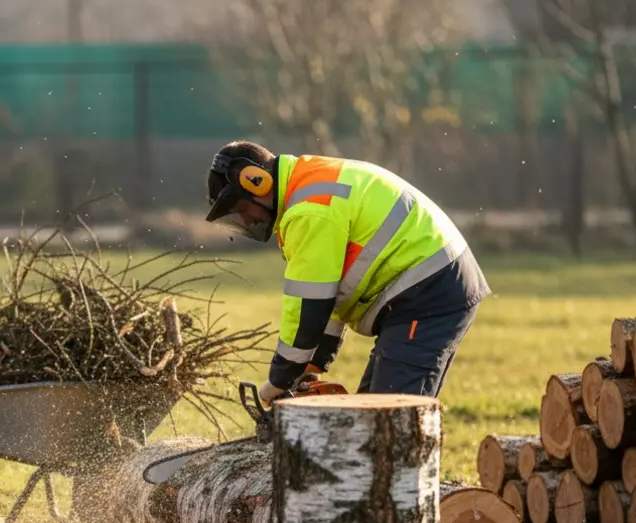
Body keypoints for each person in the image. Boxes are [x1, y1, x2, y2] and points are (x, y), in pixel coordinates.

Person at [204, 140, 491, 404]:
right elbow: (327, 297)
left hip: (428, 289)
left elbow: (308, 308)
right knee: (369, 415)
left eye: (242, 208)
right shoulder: (306, 189)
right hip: (422, 286)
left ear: (257, 182)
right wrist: (312, 365)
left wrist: (280, 380)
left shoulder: (309, 210)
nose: (246, 219)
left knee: (389, 419)